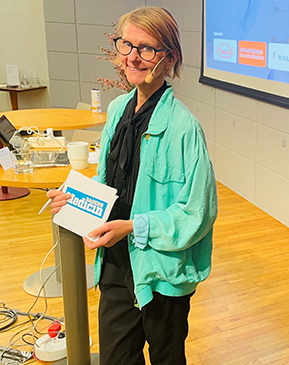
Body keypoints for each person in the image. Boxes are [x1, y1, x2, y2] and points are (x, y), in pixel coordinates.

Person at [47, 7, 217, 365]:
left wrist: (133, 227)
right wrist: (75, 200)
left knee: (166, 359)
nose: (133, 57)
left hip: (160, 275)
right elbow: (107, 182)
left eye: (147, 49)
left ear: (168, 59)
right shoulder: (118, 109)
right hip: (114, 265)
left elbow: (197, 214)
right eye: (127, 45)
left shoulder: (186, 129)